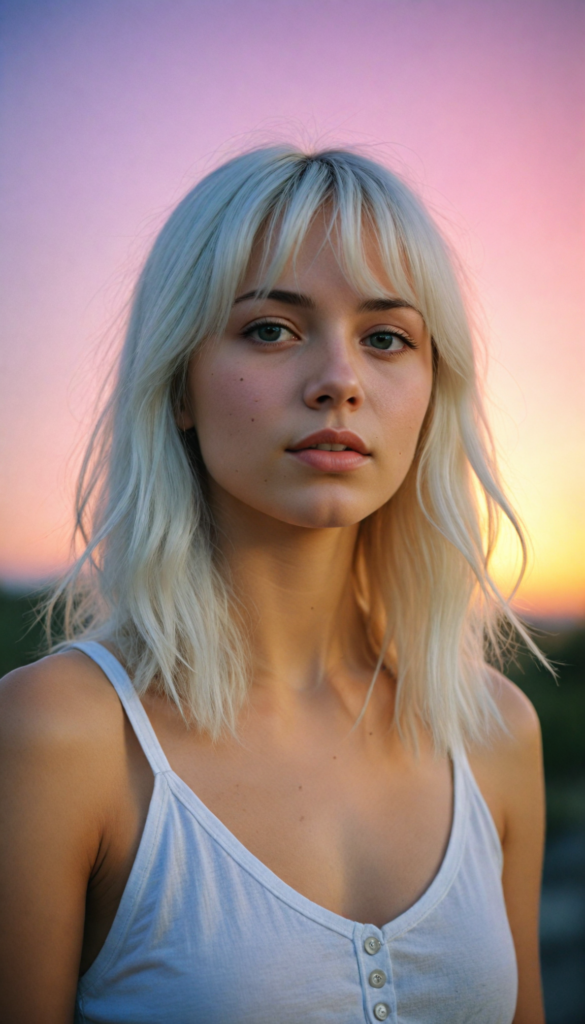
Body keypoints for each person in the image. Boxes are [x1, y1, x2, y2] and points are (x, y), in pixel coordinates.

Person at [0, 146, 546, 1023]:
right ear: (178, 382)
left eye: (386, 338)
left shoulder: (491, 732)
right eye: (269, 329)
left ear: (431, 387)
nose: (339, 380)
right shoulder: (58, 737)